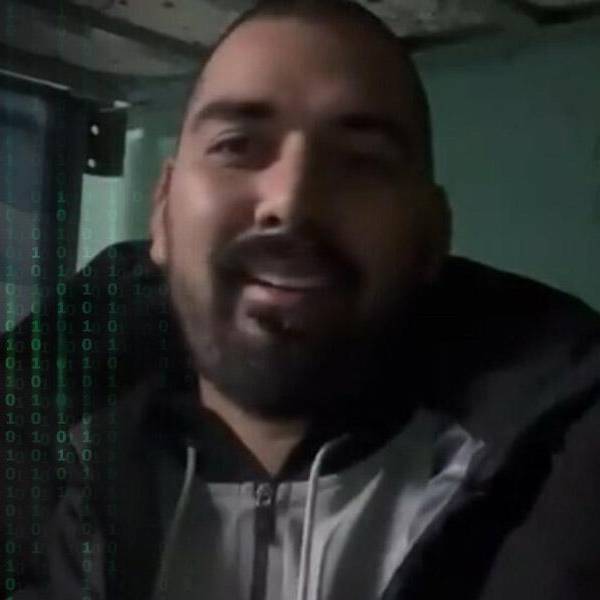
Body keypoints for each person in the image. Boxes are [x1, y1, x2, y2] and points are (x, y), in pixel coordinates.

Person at [12, 1, 600, 599]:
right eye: (237, 145)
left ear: (431, 237)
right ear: (161, 210)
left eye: (361, 161)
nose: (291, 202)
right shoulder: (44, 472)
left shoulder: (571, 472)